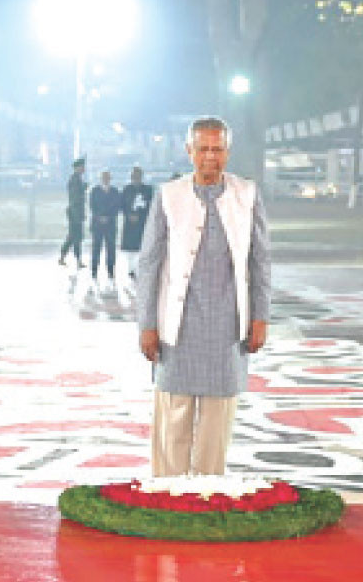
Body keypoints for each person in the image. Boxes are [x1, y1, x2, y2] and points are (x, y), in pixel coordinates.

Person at [136, 116, 271, 477]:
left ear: (228, 151)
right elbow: (149, 263)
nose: (210, 157)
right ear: (189, 151)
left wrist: (261, 317)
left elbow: (260, 261)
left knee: (217, 420)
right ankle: (167, 492)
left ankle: (209, 492)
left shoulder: (248, 194)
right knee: (173, 414)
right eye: (203, 149)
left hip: (229, 324)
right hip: (177, 323)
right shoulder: (169, 195)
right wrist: (147, 324)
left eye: (218, 149)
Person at [120, 166, 154, 280]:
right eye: (134, 175)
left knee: (142, 246)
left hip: (142, 222)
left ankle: (140, 268)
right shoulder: (126, 189)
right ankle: (131, 269)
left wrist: (140, 216)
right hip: (130, 223)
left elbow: (150, 206)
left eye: (138, 175)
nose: (136, 177)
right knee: (130, 248)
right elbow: (122, 205)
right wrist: (129, 215)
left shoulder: (148, 190)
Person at [89, 169, 120, 287]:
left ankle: (111, 273)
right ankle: (94, 272)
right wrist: (100, 217)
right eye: (104, 177)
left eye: (108, 177)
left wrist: (108, 217)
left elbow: (117, 207)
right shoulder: (95, 191)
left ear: (110, 178)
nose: (106, 179)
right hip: (97, 225)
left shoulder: (115, 192)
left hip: (110, 225)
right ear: (101, 178)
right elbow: (92, 206)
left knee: (111, 249)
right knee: (96, 248)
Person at [59, 157, 87, 268]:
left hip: (75, 212)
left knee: (72, 237)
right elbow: (75, 198)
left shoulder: (77, 179)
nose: (83, 168)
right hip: (75, 213)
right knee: (76, 237)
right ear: (77, 167)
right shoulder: (75, 180)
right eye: (82, 166)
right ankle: (78, 260)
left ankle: (63, 257)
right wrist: (78, 214)